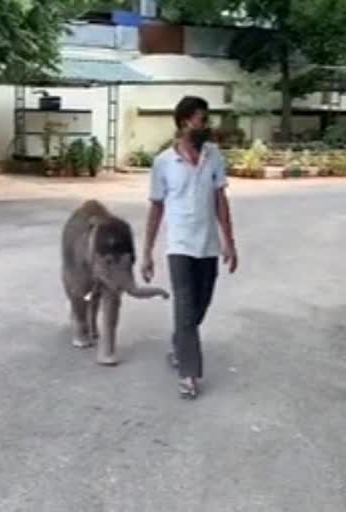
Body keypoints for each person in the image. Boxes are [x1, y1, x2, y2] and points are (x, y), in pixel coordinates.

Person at [141, 96, 238, 400]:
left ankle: (178, 343)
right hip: (179, 245)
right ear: (185, 121)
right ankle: (190, 374)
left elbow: (221, 200)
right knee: (184, 308)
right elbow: (156, 208)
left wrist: (229, 242)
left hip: (207, 245)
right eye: (202, 119)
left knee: (201, 304)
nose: (206, 124)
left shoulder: (213, 156)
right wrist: (146, 252)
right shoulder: (163, 162)